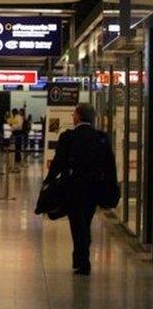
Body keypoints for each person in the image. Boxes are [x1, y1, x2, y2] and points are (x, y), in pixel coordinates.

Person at [44, 103, 117, 275]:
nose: (72, 117)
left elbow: (58, 162)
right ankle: (81, 259)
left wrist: (49, 180)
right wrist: (111, 186)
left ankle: (82, 262)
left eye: (74, 114)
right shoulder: (101, 137)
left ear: (79, 116)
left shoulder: (68, 137)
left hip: (74, 187)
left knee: (77, 223)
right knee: (85, 220)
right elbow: (109, 165)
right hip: (94, 188)